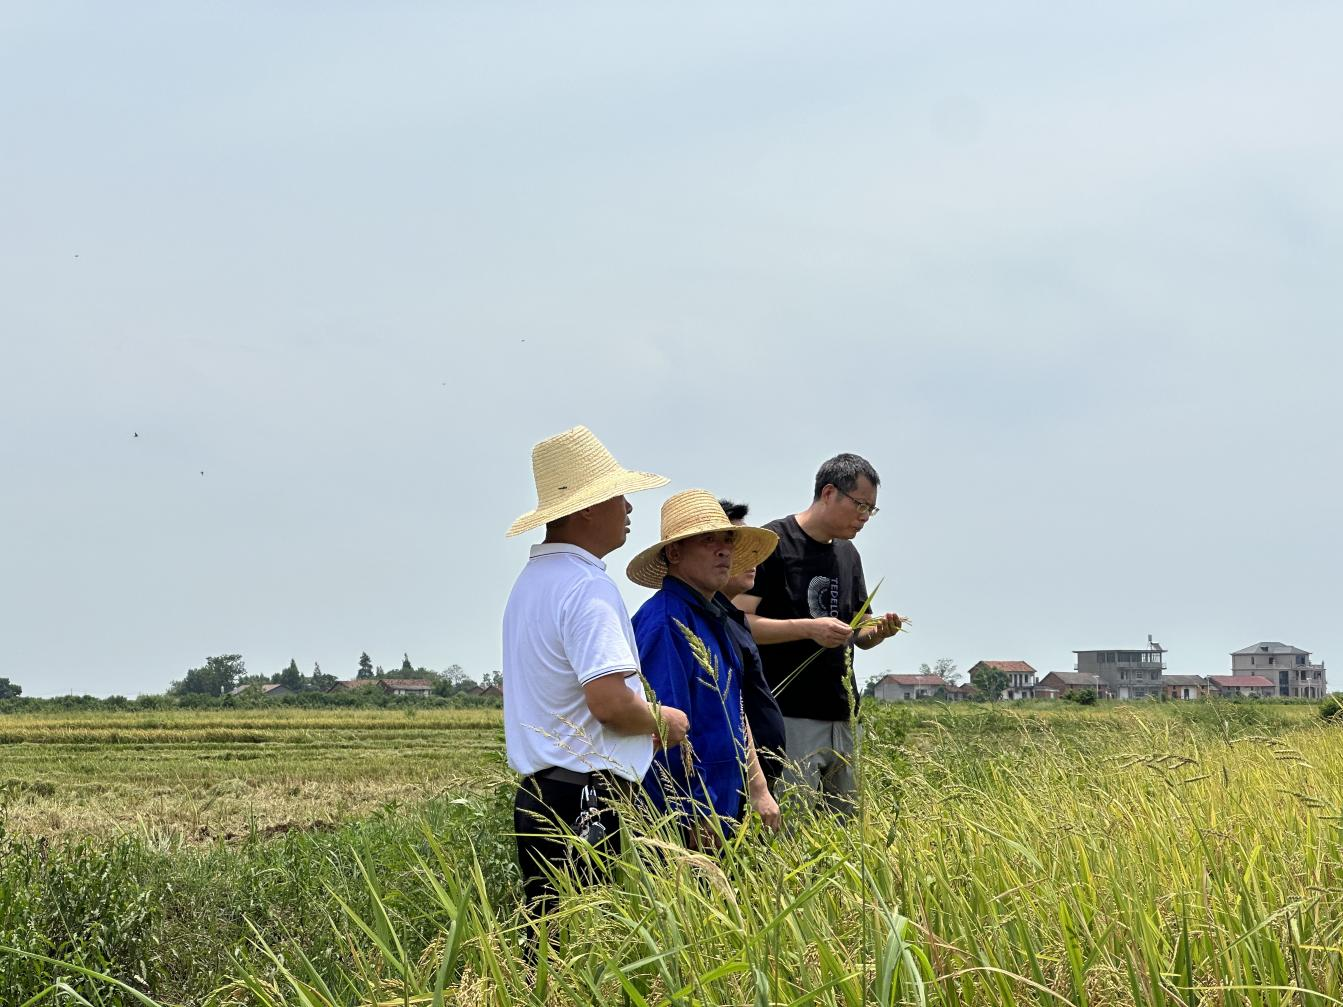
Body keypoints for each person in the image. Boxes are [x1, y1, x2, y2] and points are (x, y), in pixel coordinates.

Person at [503, 425, 690, 923]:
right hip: (587, 797)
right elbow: (608, 703)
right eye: (619, 496)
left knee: (552, 943)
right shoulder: (586, 586)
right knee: (588, 945)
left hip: (543, 793)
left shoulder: (531, 584)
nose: (629, 509)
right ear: (586, 507)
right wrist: (662, 720)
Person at [734, 454, 904, 815]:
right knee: (790, 830)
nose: (864, 517)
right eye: (860, 505)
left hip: (844, 714)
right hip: (790, 713)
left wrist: (879, 631)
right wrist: (810, 628)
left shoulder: (848, 553)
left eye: (871, 510)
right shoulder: (773, 543)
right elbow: (740, 622)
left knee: (845, 831)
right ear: (829, 493)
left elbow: (860, 630)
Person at [626, 489, 782, 845]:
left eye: (728, 539)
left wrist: (757, 789)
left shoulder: (713, 618)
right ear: (675, 552)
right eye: (708, 540)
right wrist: (688, 815)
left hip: (724, 809)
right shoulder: (667, 622)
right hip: (691, 825)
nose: (724, 549)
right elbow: (662, 730)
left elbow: (735, 712)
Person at [717, 498, 787, 797]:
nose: (752, 558)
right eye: (737, 547)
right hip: (729, 787)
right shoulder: (688, 623)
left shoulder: (732, 619)